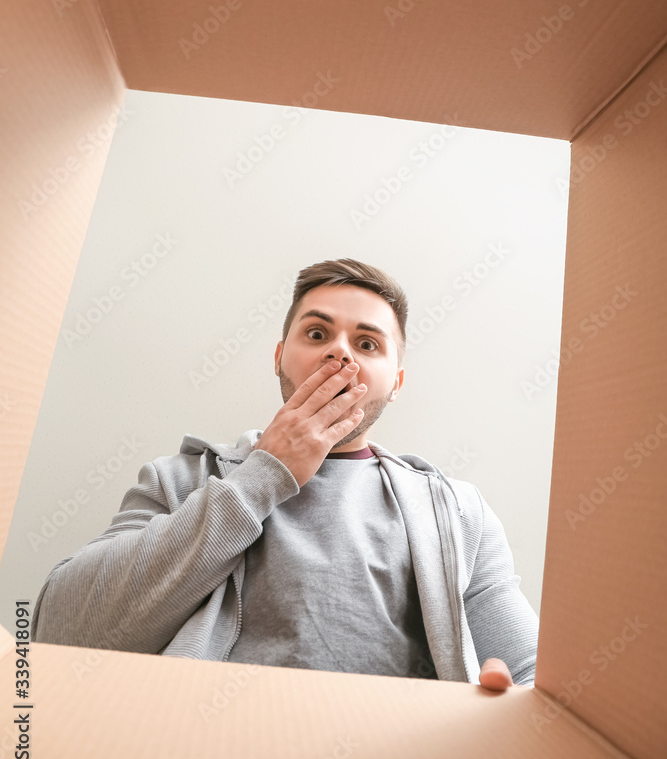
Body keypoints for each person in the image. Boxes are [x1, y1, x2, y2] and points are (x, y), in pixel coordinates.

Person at [32, 258, 538, 691]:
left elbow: (529, 674)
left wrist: (503, 699)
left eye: (368, 344)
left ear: (396, 382)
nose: (340, 352)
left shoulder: (456, 512)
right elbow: (62, 631)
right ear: (280, 357)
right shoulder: (180, 480)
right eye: (317, 333)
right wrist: (264, 476)